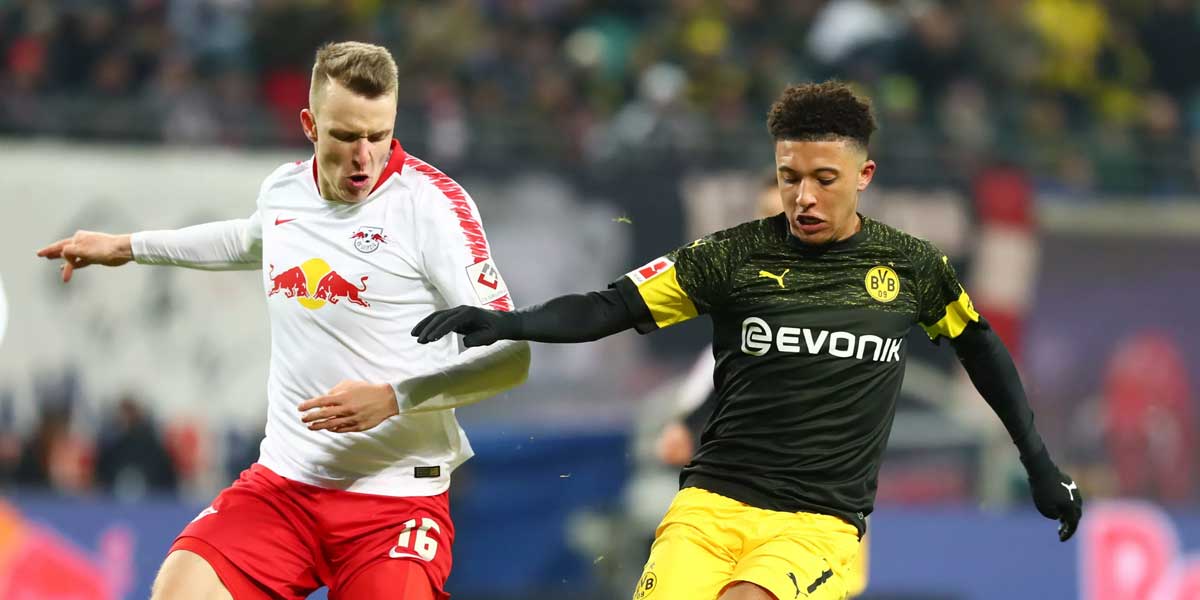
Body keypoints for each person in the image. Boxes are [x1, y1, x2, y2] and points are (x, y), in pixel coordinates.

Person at [412, 81, 1082, 600]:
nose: (804, 197)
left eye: (825, 179)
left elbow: (983, 352)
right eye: (791, 178)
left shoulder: (912, 269)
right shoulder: (728, 257)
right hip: (708, 509)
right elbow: (609, 307)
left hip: (816, 524)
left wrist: (1038, 465)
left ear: (864, 176)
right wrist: (509, 321)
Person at [37, 41, 530, 600]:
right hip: (284, 489)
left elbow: (512, 356)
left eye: (379, 135)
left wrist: (396, 398)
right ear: (310, 126)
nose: (364, 157)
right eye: (345, 136)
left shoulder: (433, 207)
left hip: (394, 503)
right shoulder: (284, 190)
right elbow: (248, 240)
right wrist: (126, 247)